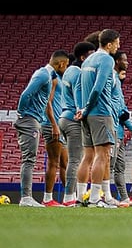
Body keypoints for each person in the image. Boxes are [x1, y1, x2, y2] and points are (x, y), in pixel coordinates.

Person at [14, 51, 70, 206]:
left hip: (34, 120)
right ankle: (26, 198)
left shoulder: (48, 75)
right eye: (66, 66)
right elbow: (26, 94)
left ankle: (27, 197)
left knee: (30, 159)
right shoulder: (43, 75)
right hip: (29, 119)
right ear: (60, 64)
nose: (66, 69)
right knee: (29, 159)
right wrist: (22, 114)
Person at [76, 29, 121, 208]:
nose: (119, 46)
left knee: (88, 155)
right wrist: (87, 108)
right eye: (117, 43)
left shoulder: (88, 59)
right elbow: (98, 87)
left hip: (87, 114)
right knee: (102, 156)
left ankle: (80, 198)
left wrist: (81, 109)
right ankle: (95, 199)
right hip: (100, 112)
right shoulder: (106, 60)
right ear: (109, 44)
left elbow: (79, 87)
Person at [59, 41, 95, 206]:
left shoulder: (68, 71)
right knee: (75, 159)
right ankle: (69, 197)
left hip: (64, 117)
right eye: (91, 54)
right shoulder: (78, 72)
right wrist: (84, 112)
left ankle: (69, 195)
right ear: (83, 57)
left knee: (72, 160)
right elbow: (79, 97)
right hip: (73, 118)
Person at [107, 50, 132, 206]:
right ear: (117, 61)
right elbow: (120, 109)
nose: (127, 62)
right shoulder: (112, 78)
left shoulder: (118, 82)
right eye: (124, 60)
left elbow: (122, 109)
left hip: (118, 132)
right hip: (112, 131)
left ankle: (124, 198)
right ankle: (103, 196)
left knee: (119, 167)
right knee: (109, 165)